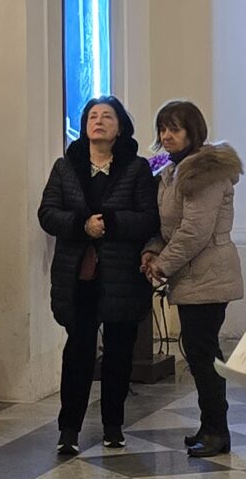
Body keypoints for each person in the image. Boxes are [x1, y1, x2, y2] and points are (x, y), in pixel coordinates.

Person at [37, 96, 159, 458]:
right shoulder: (65, 168)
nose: (99, 121)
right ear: (85, 125)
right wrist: (80, 225)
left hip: (122, 273)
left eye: (107, 116)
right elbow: (47, 213)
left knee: (120, 352)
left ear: (120, 126)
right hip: (79, 274)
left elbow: (149, 218)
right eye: (93, 116)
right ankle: (69, 429)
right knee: (78, 351)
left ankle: (113, 425)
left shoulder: (137, 169)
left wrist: (111, 223)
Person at [143, 99, 242, 456]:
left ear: (193, 132)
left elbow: (194, 231)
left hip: (209, 274)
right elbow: (166, 225)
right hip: (192, 275)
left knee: (203, 353)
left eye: (175, 129)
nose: (166, 136)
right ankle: (209, 425)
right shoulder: (172, 169)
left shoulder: (204, 172)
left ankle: (218, 431)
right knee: (199, 352)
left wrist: (161, 265)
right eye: (162, 129)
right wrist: (152, 250)